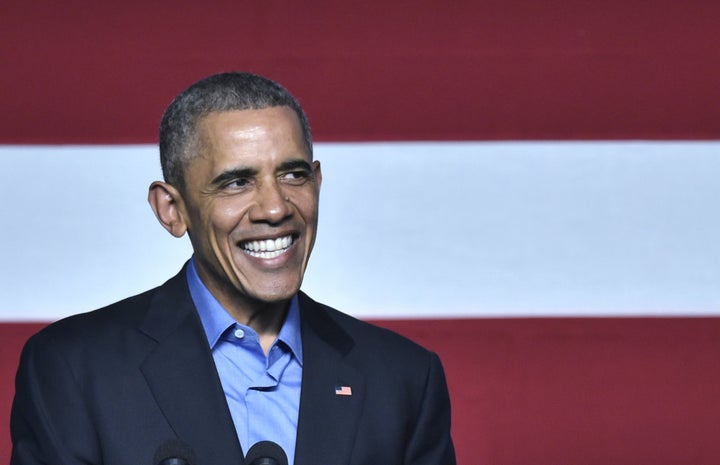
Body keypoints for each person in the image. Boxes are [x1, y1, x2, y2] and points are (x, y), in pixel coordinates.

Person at [10, 72, 456, 465]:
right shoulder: (75, 370)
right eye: (237, 182)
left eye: (293, 175)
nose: (276, 207)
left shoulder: (404, 380)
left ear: (318, 183)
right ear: (172, 209)